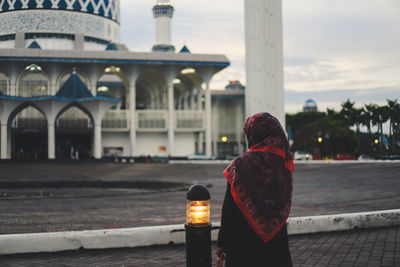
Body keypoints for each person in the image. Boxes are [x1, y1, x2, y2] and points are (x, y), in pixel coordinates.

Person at [217, 112, 294, 267]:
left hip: (242, 249)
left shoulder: (240, 166)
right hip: (276, 252)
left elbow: (229, 211)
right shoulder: (284, 168)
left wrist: (222, 244)